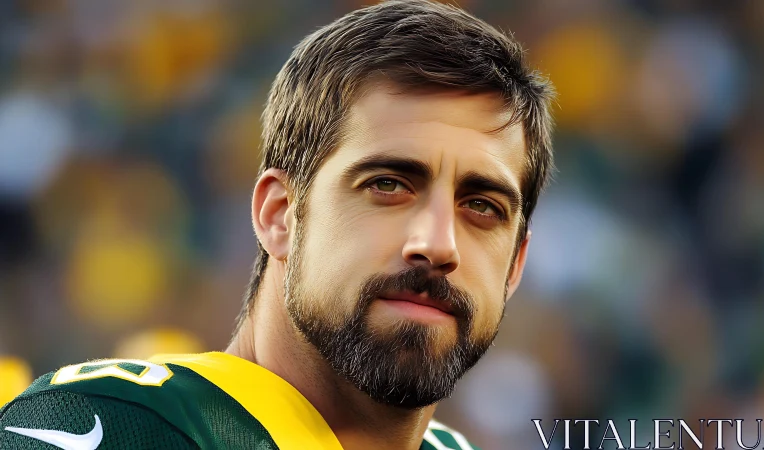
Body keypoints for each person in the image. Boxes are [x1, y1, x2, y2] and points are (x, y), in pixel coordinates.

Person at [0, 0, 554, 448]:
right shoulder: (114, 428)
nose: (436, 244)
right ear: (280, 214)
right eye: (387, 184)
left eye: (482, 206)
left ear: (515, 266)